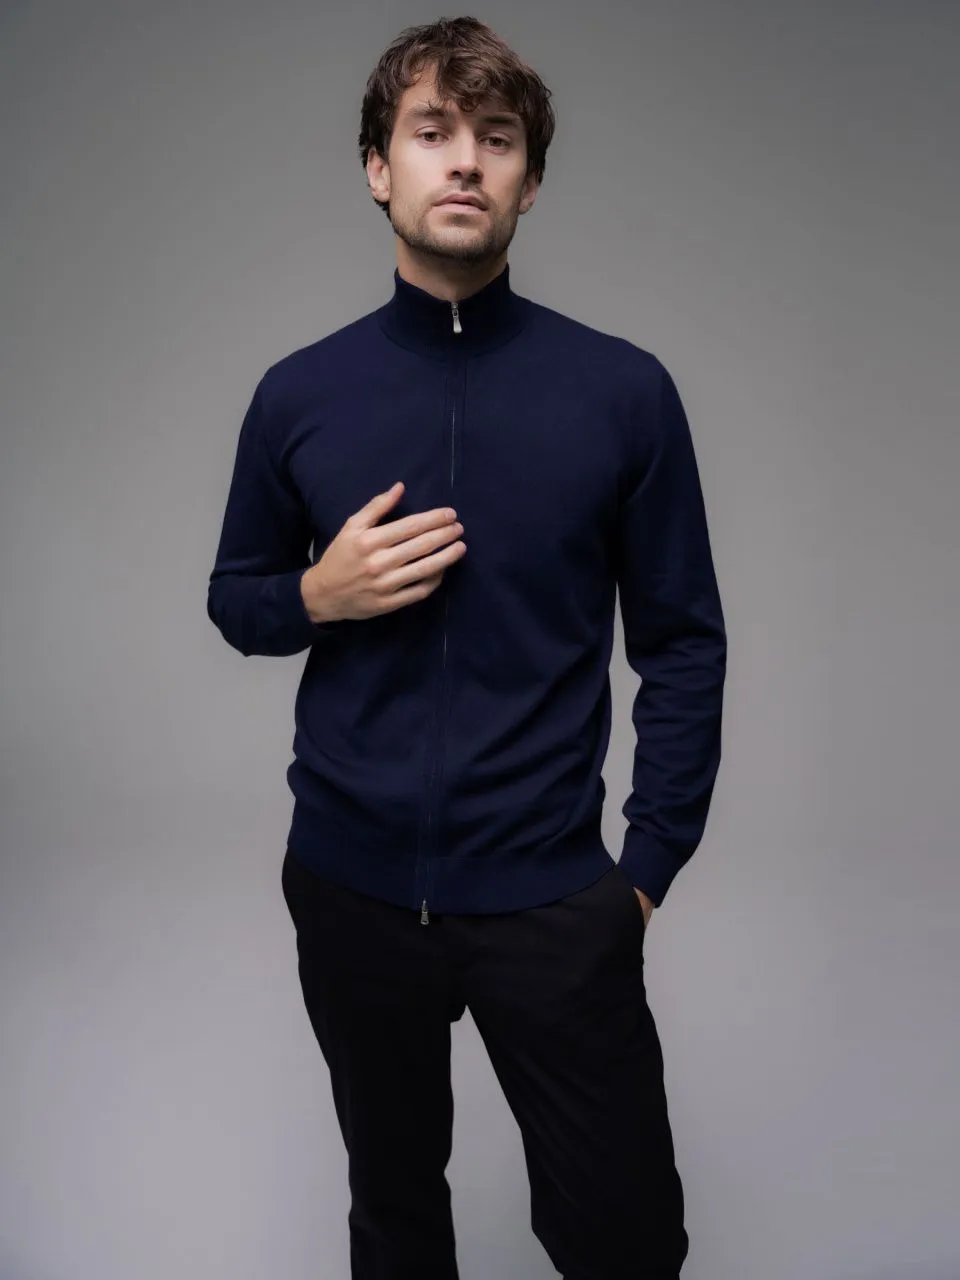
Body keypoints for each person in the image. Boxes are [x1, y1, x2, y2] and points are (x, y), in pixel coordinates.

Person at [206, 15, 726, 1279]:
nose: (464, 162)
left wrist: (644, 870)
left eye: (496, 140)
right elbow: (236, 599)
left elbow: (683, 643)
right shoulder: (300, 393)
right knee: (394, 1219)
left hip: (552, 898)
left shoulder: (623, 393)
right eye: (431, 132)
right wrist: (317, 594)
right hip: (351, 888)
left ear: (528, 181)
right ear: (377, 167)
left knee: (625, 1239)